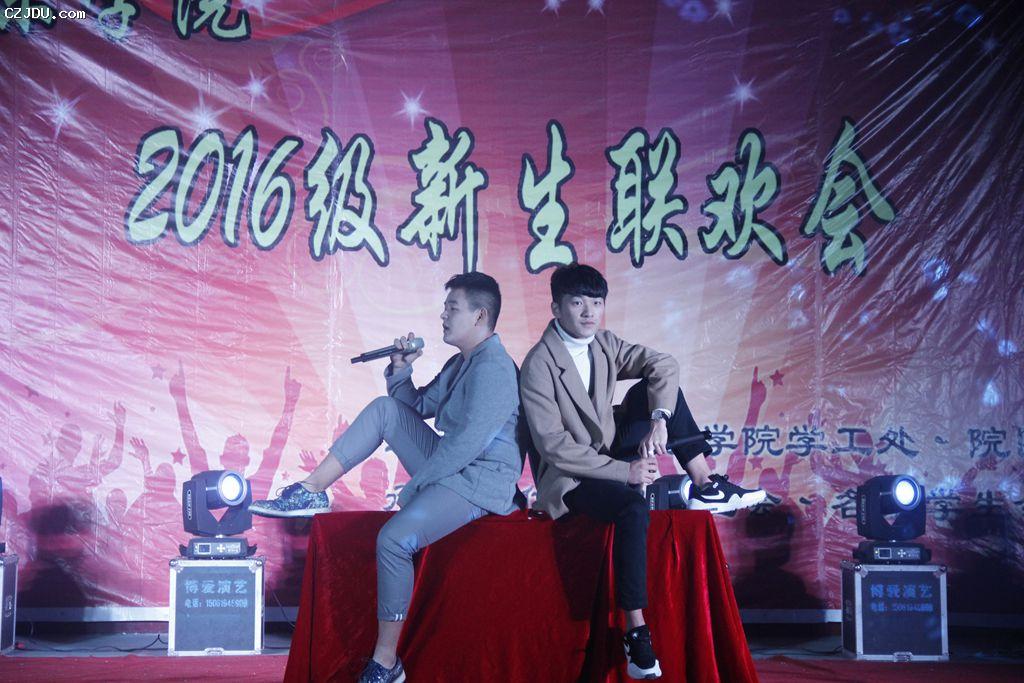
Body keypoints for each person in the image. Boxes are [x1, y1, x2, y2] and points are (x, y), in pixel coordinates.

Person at [251, 272, 523, 683]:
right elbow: (416, 406)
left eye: (452, 308)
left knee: (394, 539)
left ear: (480, 315)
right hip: (455, 465)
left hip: (481, 480)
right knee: (385, 410)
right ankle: (311, 490)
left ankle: (386, 662)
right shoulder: (461, 362)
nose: (443, 316)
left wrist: (415, 487)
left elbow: (468, 443)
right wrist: (399, 369)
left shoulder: (495, 368)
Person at [519, 263, 765, 680]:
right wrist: (625, 472)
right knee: (632, 508)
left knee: (662, 391)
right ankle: (636, 631)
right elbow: (554, 447)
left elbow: (663, 365)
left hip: (609, 445)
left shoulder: (604, 343)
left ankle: (705, 482)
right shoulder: (539, 365)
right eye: (577, 303)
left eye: (597, 303)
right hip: (572, 474)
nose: (589, 313)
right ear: (556, 307)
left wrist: (659, 420)